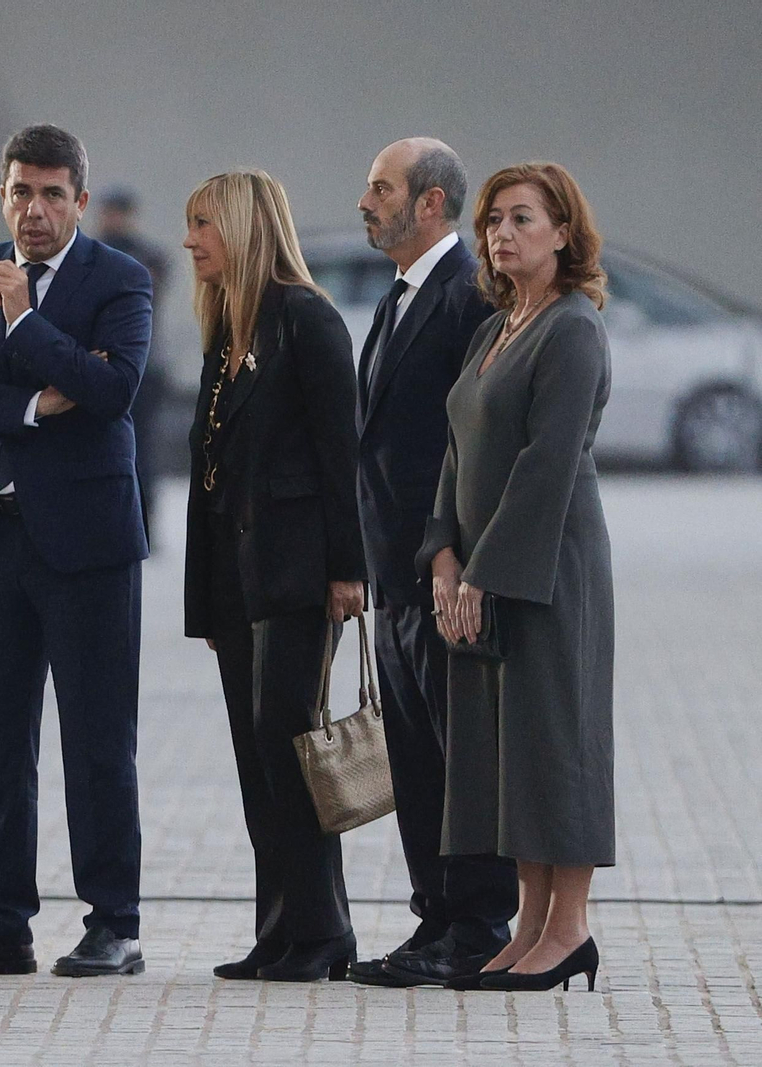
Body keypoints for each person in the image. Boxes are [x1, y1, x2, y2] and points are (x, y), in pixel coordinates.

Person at [0, 125, 152, 978]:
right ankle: (2, 921)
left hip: (87, 548)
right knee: (0, 743)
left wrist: (27, 322)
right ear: (2, 194)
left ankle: (113, 922)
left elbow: (115, 390)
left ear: (80, 201)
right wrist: (29, 406)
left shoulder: (119, 277)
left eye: (53, 194)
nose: (36, 209)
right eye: (21, 192)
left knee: (96, 741)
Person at [417, 161, 615, 993]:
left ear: (564, 232)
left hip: (546, 570)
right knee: (512, 755)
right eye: (494, 219)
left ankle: (568, 930)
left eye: (523, 218)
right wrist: (442, 553)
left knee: (556, 744)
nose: (501, 233)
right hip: (483, 569)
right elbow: (457, 449)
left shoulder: (572, 328)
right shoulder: (495, 326)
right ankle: (530, 925)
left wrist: (485, 575)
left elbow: (546, 466)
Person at [181, 169, 366, 982]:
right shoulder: (231, 327)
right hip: (236, 575)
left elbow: (341, 456)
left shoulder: (306, 320)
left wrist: (349, 571)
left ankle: (324, 931)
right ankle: (281, 928)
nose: (190, 242)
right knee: (257, 755)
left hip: (298, 574)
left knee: (289, 747)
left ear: (244, 228)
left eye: (203, 225)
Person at [348, 139, 518, 989]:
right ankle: (437, 921)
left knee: (461, 760)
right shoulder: (400, 297)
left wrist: (457, 560)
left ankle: (481, 923)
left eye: (381, 188)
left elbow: (473, 446)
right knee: (415, 759)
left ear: (432, 204)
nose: (364, 202)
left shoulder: (467, 298)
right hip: (394, 576)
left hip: (443, 573)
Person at [94, 188, 170, 543]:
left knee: (139, 450)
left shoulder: (146, 257)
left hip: (141, 368)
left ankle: (144, 524)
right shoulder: (91, 254)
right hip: (100, 366)